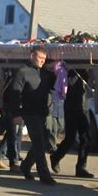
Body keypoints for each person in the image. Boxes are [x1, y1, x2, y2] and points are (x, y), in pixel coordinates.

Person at [8, 46, 57, 185]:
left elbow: (54, 87)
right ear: (32, 56)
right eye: (40, 58)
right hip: (29, 112)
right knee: (39, 142)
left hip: (43, 112)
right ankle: (44, 175)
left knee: (44, 141)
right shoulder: (22, 71)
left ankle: (26, 165)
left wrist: (58, 71)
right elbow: (15, 93)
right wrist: (16, 114)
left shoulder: (45, 73)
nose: (42, 61)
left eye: (44, 59)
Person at [50, 68, 94, 178]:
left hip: (84, 108)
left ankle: (81, 167)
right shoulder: (70, 71)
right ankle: (56, 157)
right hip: (71, 108)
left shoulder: (88, 71)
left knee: (86, 138)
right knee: (70, 138)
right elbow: (69, 84)